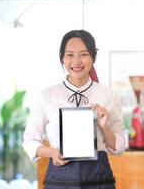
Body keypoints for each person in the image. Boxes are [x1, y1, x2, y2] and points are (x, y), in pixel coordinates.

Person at [22, 30, 126, 189]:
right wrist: (51, 153)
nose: (76, 61)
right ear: (62, 58)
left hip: (99, 180)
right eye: (70, 55)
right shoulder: (46, 96)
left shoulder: (108, 95)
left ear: (93, 57)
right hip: (59, 179)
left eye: (84, 54)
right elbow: (29, 141)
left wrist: (104, 127)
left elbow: (118, 148)